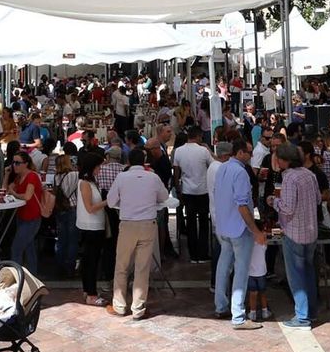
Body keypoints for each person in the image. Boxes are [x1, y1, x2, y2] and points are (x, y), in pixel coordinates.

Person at [106, 147, 170, 320]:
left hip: (127, 225)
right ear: (145, 162)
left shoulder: (122, 177)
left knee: (122, 265)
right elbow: (164, 197)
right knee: (142, 267)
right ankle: (138, 307)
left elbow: (111, 202)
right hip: (147, 224)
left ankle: (119, 305)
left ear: (128, 162)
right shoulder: (153, 177)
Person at [212, 139, 265, 329]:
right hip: (239, 228)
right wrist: (256, 230)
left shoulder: (222, 169)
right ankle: (238, 315)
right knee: (241, 272)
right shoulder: (240, 172)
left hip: (224, 226)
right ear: (241, 153)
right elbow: (242, 205)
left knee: (223, 267)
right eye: (249, 153)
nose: (251, 156)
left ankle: (220, 305)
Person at [271, 142, 320, 328]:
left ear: (283, 160)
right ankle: (311, 312)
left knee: (297, 277)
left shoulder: (290, 178)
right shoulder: (309, 174)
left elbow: (287, 207)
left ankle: (302, 317)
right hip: (311, 231)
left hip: (294, 232)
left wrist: (273, 201)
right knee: (309, 273)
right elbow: (316, 199)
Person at [173, 127, 214, 263]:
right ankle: (203, 254)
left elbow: (176, 171)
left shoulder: (178, 151)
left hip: (187, 190)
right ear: (199, 136)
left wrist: (178, 189)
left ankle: (193, 255)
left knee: (190, 222)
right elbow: (213, 165)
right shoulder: (203, 151)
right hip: (203, 190)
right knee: (203, 223)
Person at [76, 149, 109, 305]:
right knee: (91, 261)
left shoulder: (90, 182)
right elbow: (90, 207)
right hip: (91, 228)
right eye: (98, 167)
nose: (100, 170)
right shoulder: (85, 184)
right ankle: (91, 293)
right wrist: (107, 202)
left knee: (90, 260)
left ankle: (88, 290)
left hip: (94, 226)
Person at [7, 149, 47, 274]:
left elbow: (27, 196)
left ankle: (18, 279)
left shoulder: (32, 176)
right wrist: (6, 174)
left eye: (18, 163)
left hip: (32, 217)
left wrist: (14, 193)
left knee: (16, 249)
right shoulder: (19, 177)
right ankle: (32, 277)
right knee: (29, 248)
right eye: (13, 162)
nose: (14, 165)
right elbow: (6, 189)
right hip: (22, 216)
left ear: (26, 164)